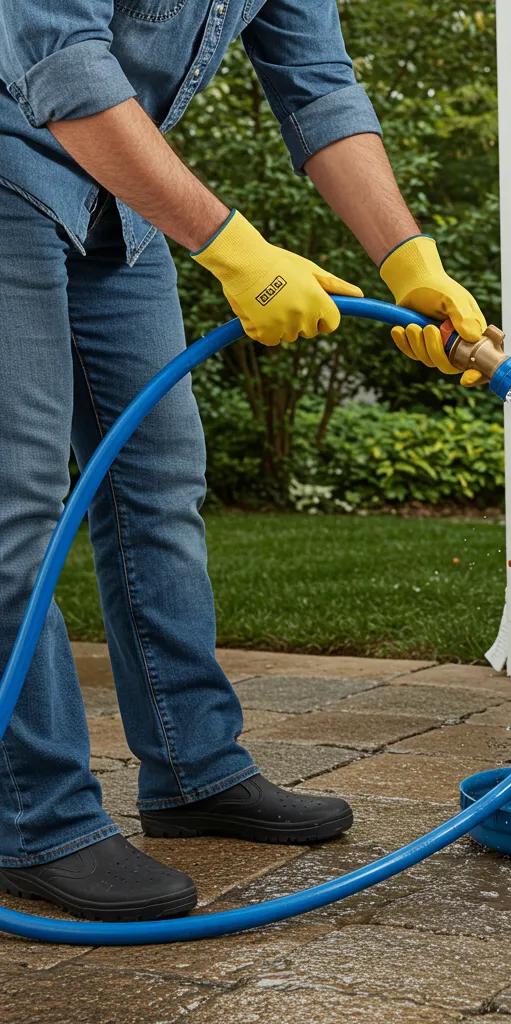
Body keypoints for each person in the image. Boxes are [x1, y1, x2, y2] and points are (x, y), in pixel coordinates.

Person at [0, 0, 478, 922]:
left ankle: (192, 771)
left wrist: (410, 261)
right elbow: (60, 58)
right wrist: (231, 246)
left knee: (158, 484)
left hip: (119, 195)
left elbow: (320, 87)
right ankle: (35, 818)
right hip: (16, 154)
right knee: (14, 502)